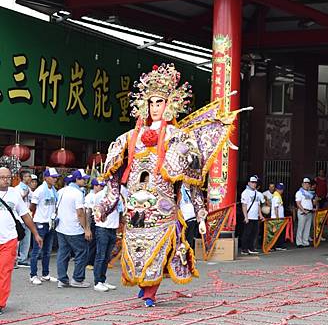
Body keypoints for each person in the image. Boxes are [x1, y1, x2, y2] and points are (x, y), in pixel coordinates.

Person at [96, 64, 242, 307]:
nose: (154, 108)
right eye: (151, 103)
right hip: (134, 210)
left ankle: (151, 292)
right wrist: (106, 204)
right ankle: (144, 285)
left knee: (158, 249)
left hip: (161, 209)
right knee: (135, 249)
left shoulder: (177, 136)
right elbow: (113, 177)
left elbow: (191, 180)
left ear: (169, 105)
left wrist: (200, 212)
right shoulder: (130, 137)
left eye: (159, 103)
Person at [0, 167, 43, 315]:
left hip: (9, 239)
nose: (5, 180)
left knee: (4, 272)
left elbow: (25, 215)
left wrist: (36, 234)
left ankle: (0, 303)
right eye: (2, 177)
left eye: (8, 177)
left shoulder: (14, 194)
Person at [56, 169, 93, 288]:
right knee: (82, 253)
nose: (85, 181)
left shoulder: (61, 191)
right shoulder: (77, 193)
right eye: (83, 179)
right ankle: (77, 279)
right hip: (74, 228)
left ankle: (62, 279)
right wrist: (86, 229)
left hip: (61, 227)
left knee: (63, 254)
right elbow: (80, 213)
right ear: (77, 179)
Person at [29, 167, 61, 285]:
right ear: (46, 177)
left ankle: (45, 274)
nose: (55, 180)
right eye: (53, 177)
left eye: (56, 178)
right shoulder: (40, 190)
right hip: (40, 223)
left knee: (47, 251)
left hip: (50, 223)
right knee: (37, 251)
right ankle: (33, 275)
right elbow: (32, 207)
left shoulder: (54, 190)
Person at [92, 179, 122, 292]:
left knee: (107, 256)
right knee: (101, 255)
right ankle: (97, 281)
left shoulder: (118, 196)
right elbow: (96, 212)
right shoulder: (100, 195)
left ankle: (103, 280)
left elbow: (121, 211)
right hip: (102, 228)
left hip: (113, 228)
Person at [240, 175, 264, 255]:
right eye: (252, 182)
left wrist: (260, 215)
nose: (254, 184)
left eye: (255, 183)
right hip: (249, 216)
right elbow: (244, 205)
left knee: (254, 233)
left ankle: (251, 248)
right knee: (247, 233)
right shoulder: (245, 193)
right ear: (249, 183)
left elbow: (258, 205)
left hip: (255, 217)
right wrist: (246, 217)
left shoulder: (257, 193)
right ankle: (244, 249)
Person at [84, 178, 104, 270]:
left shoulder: (102, 195)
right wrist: (87, 226)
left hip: (100, 219)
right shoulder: (90, 196)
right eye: (100, 186)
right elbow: (88, 211)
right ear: (95, 186)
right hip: (92, 219)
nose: (102, 188)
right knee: (92, 242)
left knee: (98, 241)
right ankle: (89, 261)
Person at [15, 170, 32, 268]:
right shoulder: (17, 189)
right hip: (19, 218)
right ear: (22, 178)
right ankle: (15, 259)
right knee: (17, 239)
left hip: (28, 216)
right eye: (26, 176)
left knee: (27, 239)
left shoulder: (29, 189)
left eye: (29, 176)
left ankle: (23, 258)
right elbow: (17, 201)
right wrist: (25, 194)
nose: (28, 178)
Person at [295, 177, 315, 248]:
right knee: (301, 227)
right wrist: (303, 210)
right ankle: (299, 242)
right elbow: (298, 203)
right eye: (305, 183)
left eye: (308, 183)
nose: (307, 185)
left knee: (307, 228)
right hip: (302, 212)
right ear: (302, 184)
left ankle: (305, 241)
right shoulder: (299, 193)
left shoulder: (309, 193)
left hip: (309, 211)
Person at [271, 182, 287, 251]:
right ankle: (277, 245)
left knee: (277, 232)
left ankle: (277, 245)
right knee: (278, 233)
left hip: (278, 218)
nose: (281, 191)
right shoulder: (277, 197)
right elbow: (276, 208)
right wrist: (278, 218)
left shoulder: (276, 195)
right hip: (277, 218)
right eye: (281, 189)